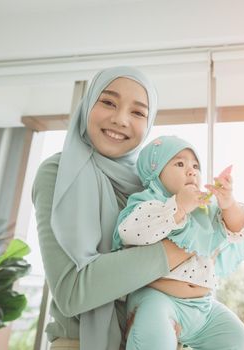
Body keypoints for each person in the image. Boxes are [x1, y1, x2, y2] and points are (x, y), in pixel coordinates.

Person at [32, 67, 194, 350]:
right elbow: (72, 291)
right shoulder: (58, 173)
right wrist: (178, 249)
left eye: (138, 112)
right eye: (108, 102)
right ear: (88, 105)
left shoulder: (152, 188)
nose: (120, 120)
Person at [113, 135, 244, 350]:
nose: (191, 171)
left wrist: (228, 203)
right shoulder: (152, 202)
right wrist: (178, 207)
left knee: (235, 336)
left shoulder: (207, 209)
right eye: (180, 163)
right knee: (155, 339)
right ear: (156, 172)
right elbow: (130, 232)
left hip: (202, 307)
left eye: (195, 166)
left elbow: (238, 230)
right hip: (159, 299)